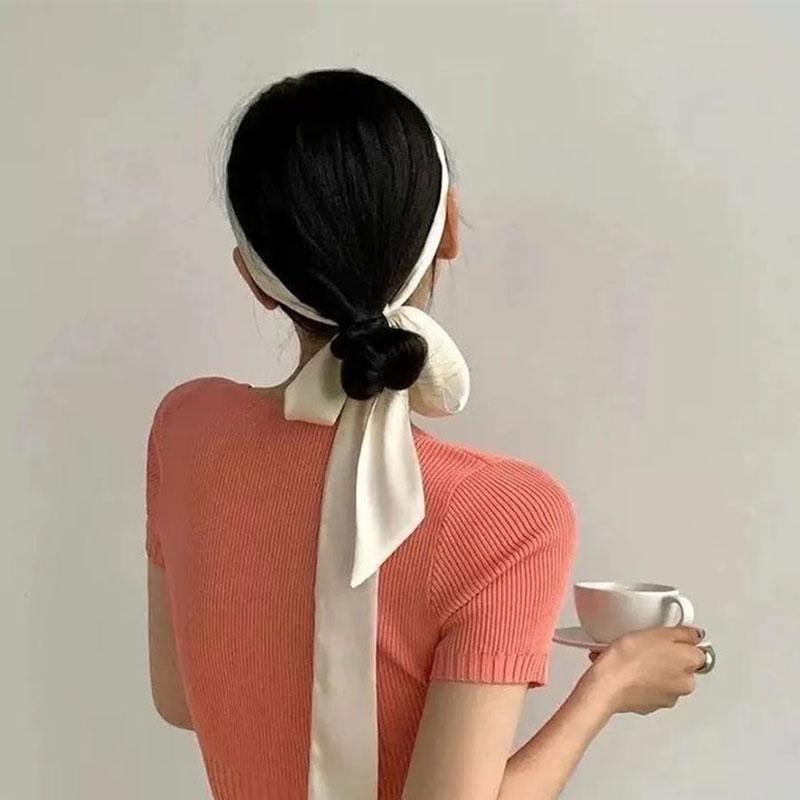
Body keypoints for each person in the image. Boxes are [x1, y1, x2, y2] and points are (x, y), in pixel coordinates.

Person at [145, 68, 709, 800]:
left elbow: (182, 699)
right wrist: (612, 685)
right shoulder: (511, 518)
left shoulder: (186, 428)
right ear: (449, 228)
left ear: (253, 277)